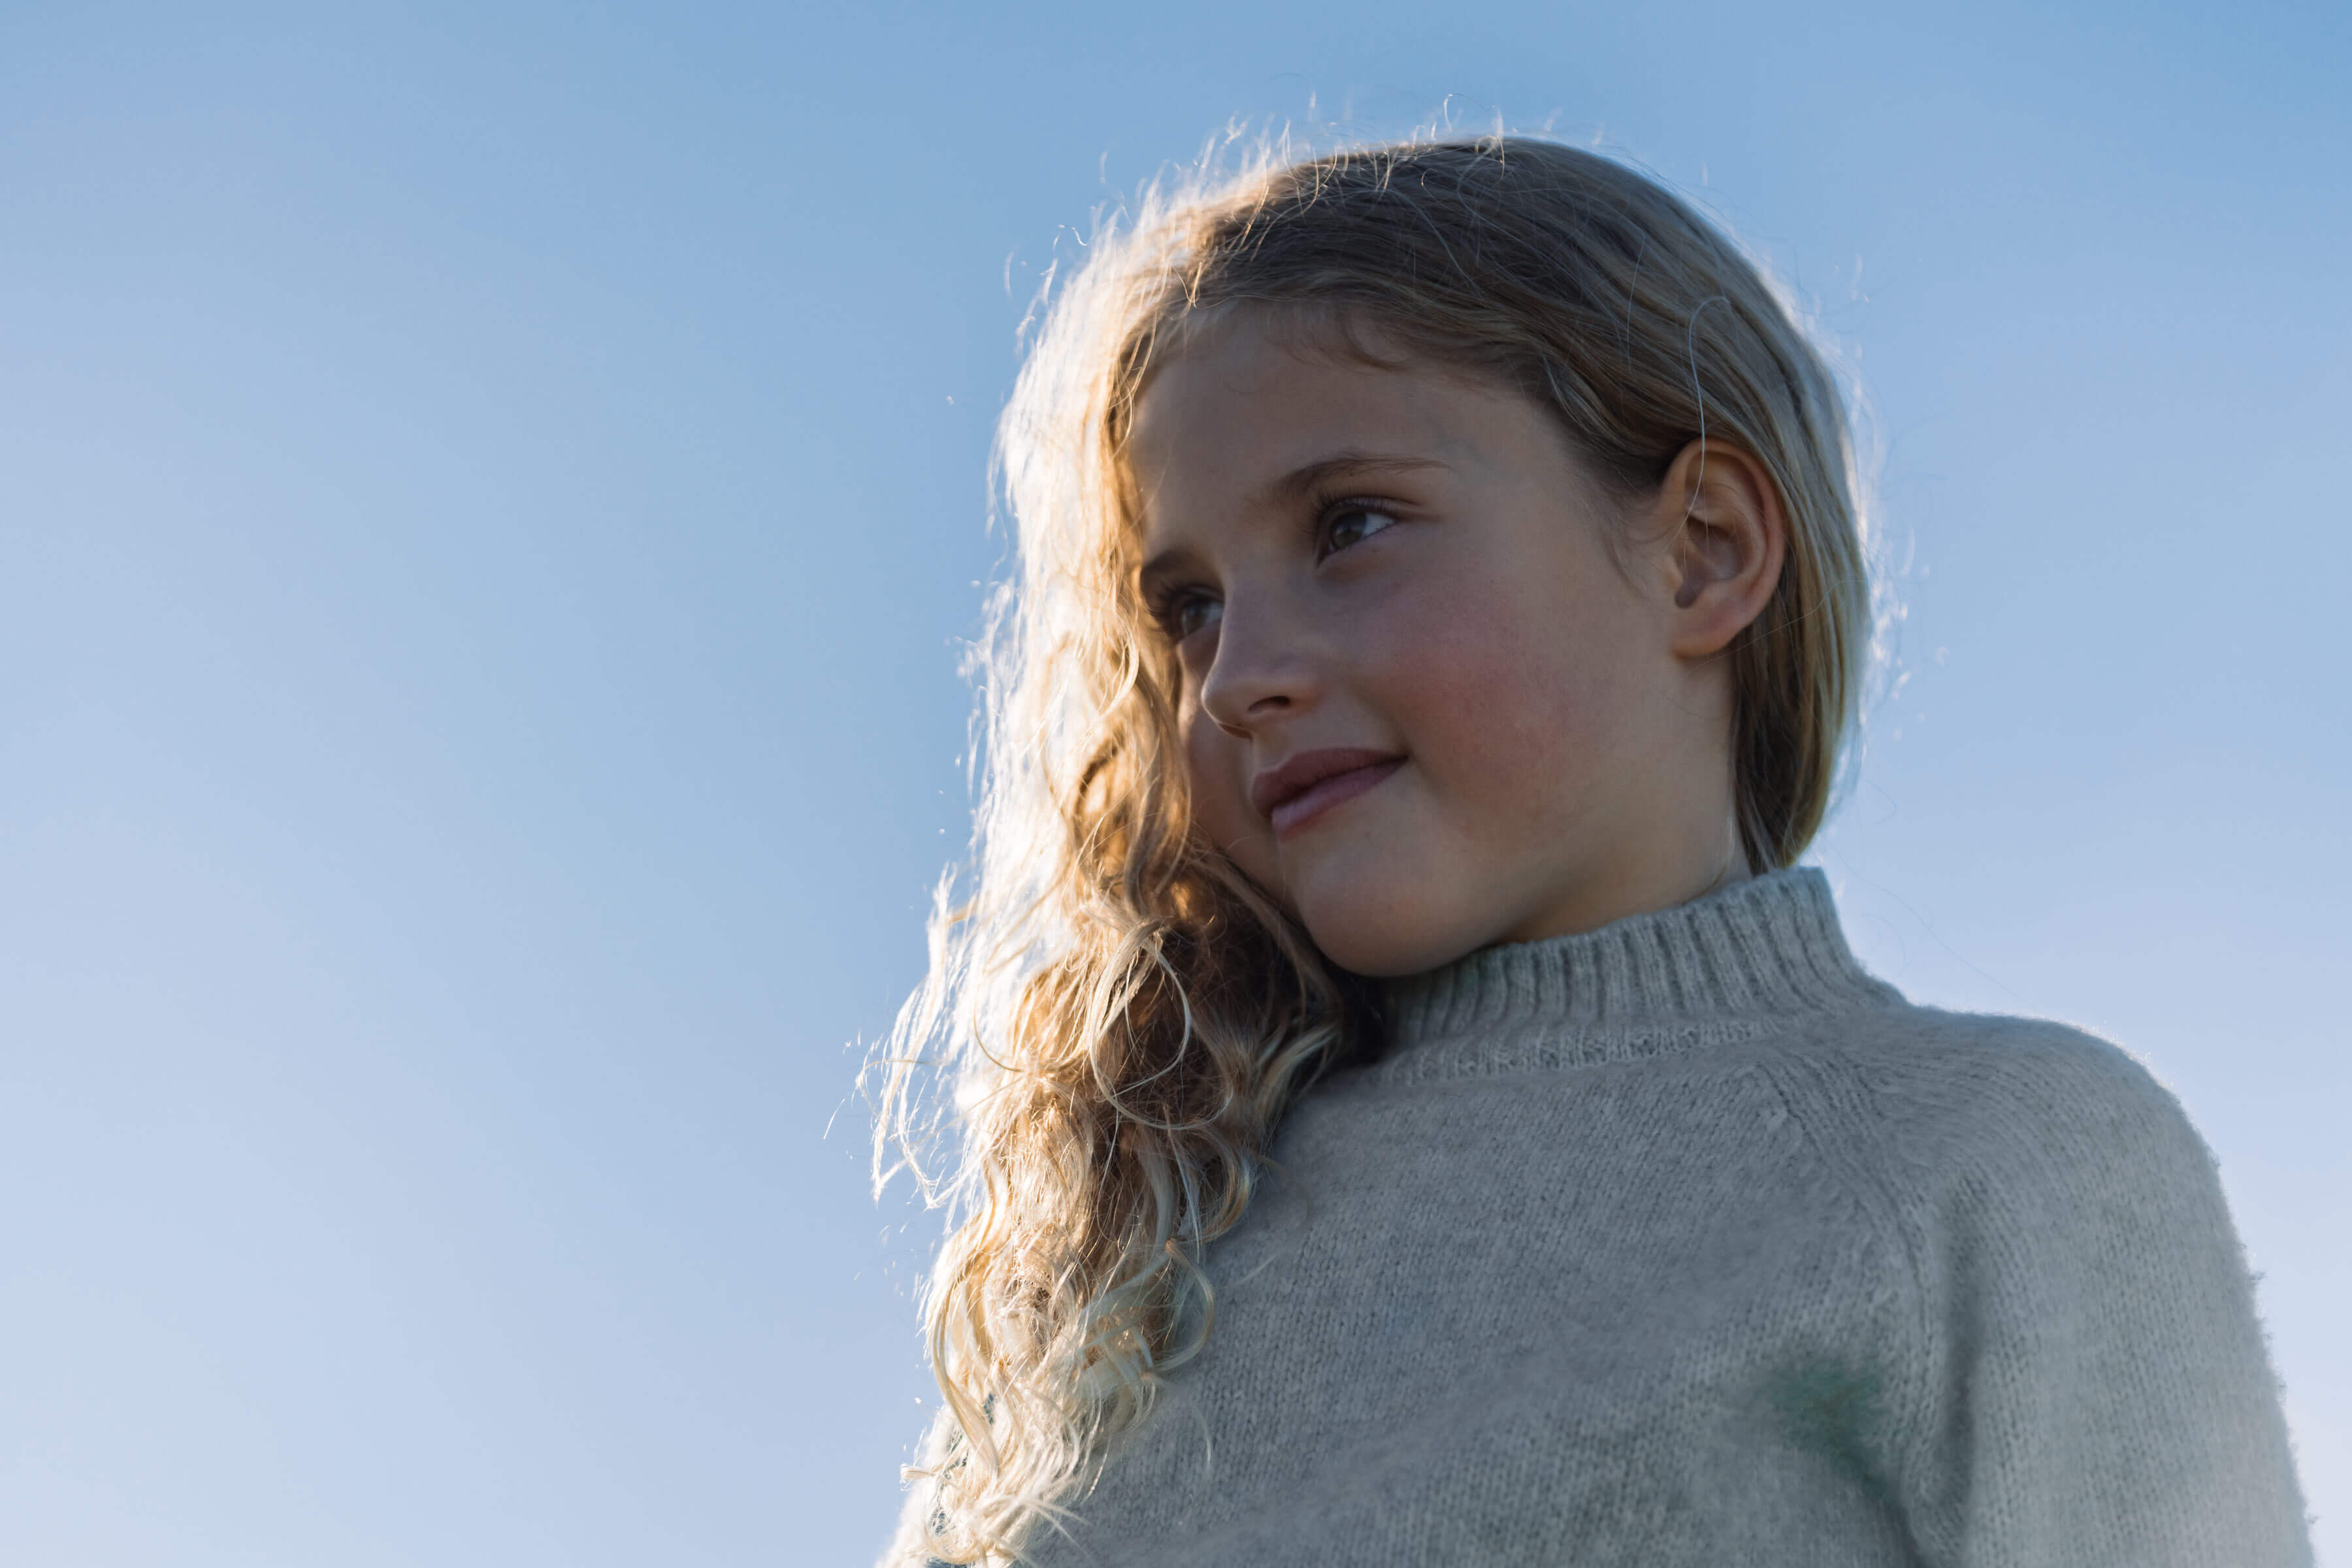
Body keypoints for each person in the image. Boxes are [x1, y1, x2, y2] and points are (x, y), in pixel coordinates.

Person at [870, 136, 2311, 1566]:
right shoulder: (1156, 1247)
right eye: (1189, 609)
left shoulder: (1999, 1164)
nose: (1237, 677)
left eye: (1351, 525)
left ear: (1705, 550)